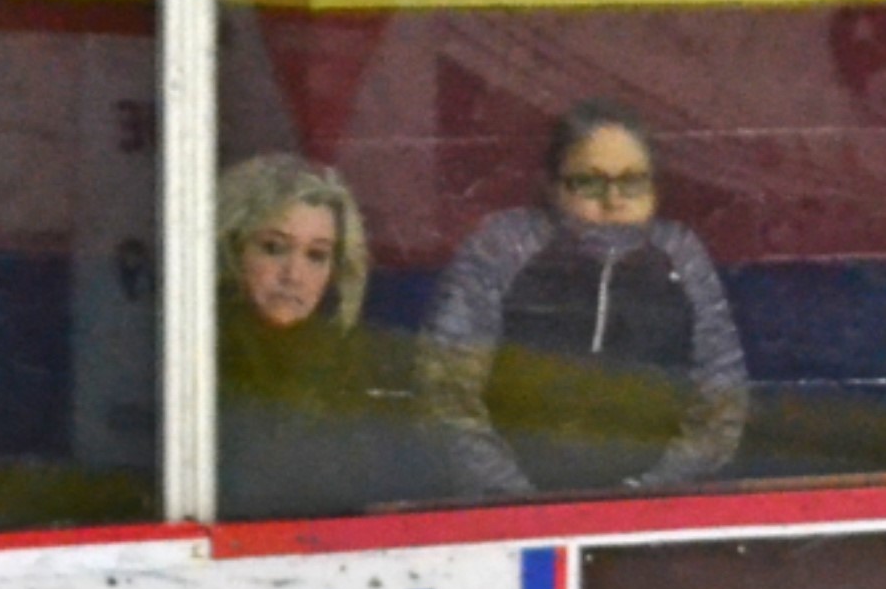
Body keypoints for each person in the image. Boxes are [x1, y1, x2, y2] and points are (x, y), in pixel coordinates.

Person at [420, 102, 747, 501]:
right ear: (554, 185)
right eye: (590, 183)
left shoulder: (680, 251)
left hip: (652, 507)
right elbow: (446, 389)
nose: (613, 200)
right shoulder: (504, 245)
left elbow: (720, 398)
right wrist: (515, 500)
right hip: (507, 509)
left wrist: (646, 496)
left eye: (632, 182)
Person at [211, 153, 418, 521]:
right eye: (273, 248)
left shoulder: (354, 366)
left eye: (316, 256)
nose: (294, 275)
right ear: (232, 247)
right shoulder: (194, 352)